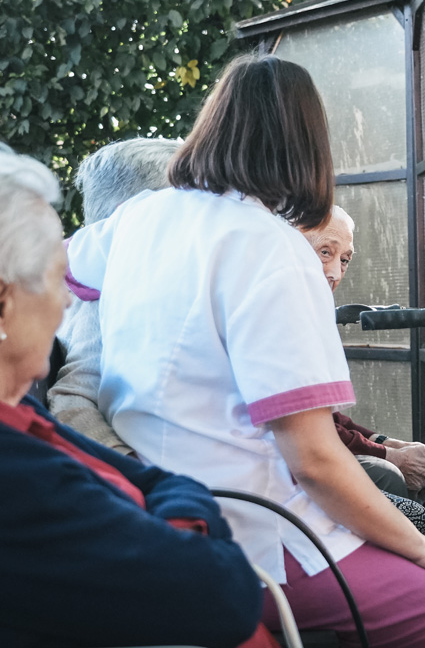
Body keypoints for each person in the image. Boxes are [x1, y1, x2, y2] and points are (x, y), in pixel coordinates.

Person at [65, 52, 425, 648]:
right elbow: (313, 459)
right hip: (255, 533)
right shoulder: (273, 252)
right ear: (308, 147)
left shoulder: (138, 218)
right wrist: (424, 548)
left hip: (159, 507)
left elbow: (52, 271)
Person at [0, 147, 267, 648]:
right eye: (57, 280)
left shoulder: (20, 413)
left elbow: (164, 482)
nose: (65, 299)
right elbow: (223, 595)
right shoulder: (15, 470)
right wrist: (158, 512)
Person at [302, 205, 425, 501]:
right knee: (389, 475)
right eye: (324, 253)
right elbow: (312, 432)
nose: (334, 272)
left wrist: (391, 444)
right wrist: (392, 457)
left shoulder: (311, 315)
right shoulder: (285, 319)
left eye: (344, 260)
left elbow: (330, 419)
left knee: (423, 473)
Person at [49, 137, 180, 453]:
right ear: (132, 215)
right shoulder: (98, 291)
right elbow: (72, 400)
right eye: (181, 205)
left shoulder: (92, 269)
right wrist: (132, 471)